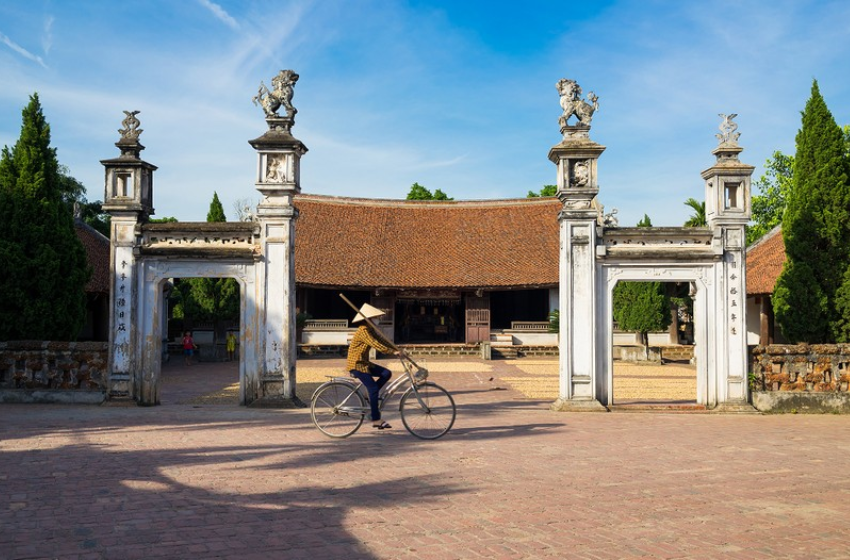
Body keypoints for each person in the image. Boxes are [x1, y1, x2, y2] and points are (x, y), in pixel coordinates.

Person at [346, 303, 405, 430]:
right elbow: (376, 344)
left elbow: (382, 340)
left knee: (386, 373)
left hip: (365, 363)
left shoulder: (371, 330)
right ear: (369, 319)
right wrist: (392, 352)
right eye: (376, 317)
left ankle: (370, 395)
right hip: (357, 364)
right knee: (373, 389)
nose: (378, 319)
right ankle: (376, 419)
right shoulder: (363, 331)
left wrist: (396, 348)